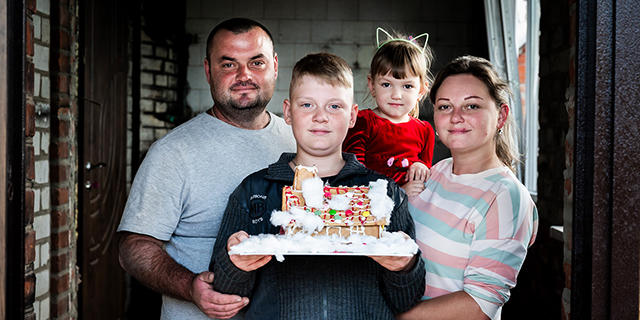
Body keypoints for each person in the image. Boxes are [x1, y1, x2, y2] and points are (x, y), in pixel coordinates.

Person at [209, 53, 425, 319]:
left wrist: (405, 267)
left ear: (353, 116)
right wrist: (235, 265)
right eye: (307, 105)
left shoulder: (383, 192)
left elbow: (408, 299)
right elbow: (223, 291)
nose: (320, 117)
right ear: (288, 112)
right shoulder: (254, 191)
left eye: (334, 107)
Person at [117, 18, 296, 320]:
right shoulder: (174, 152)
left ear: (275, 66)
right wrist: (189, 287)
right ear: (208, 70)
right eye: (228, 65)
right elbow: (133, 247)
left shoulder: (298, 141)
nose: (244, 76)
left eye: (256, 62)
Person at [398, 56, 538, 320]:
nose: (456, 117)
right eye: (445, 106)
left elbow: (478, 306)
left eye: (472, 106)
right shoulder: (438, 171)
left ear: (501, 115)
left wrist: (388, 315)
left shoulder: (505, 197)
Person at [343, 28, 435, 197]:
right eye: (386, 84)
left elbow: (425, 180)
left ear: (421, 90)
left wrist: (421, 167)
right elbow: (354, 177)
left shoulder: (425, 130)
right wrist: (398, 193)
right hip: (371, 213)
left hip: (412, 215)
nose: (396, 95)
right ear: (372, 85)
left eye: (407, 86)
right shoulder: (363, 122)